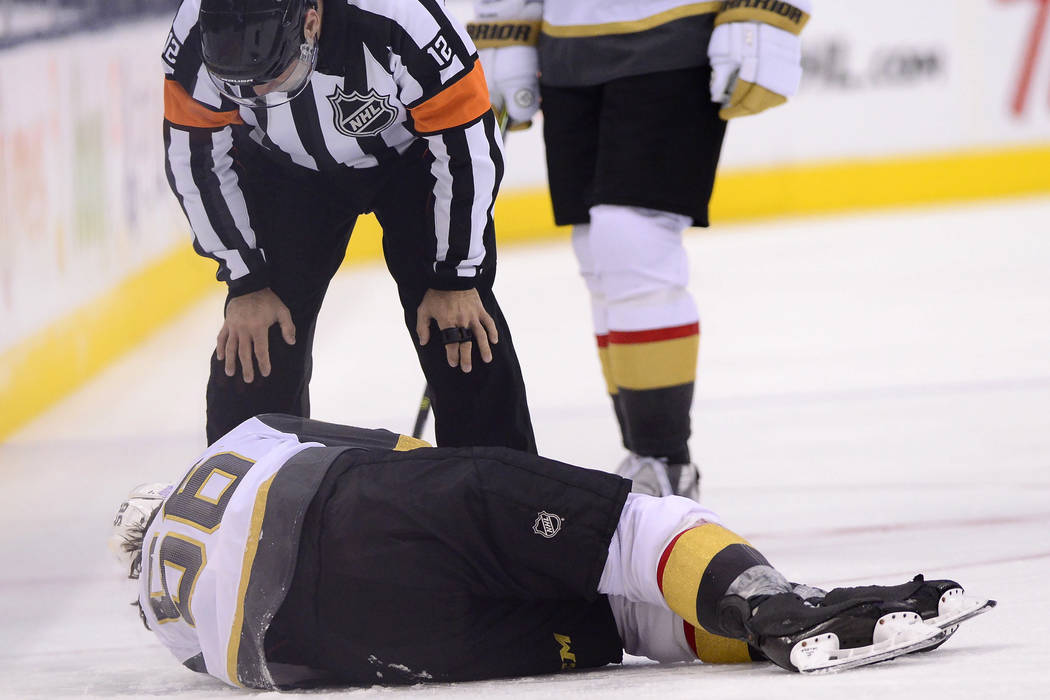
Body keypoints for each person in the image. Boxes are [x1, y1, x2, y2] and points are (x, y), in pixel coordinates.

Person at [109, 413, 993, 689]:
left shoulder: (163, 623)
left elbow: (228, 669)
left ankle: (774, 628)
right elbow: (392, 452)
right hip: (355, 515)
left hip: (335, 647)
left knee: (612, 618)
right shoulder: (229, 448)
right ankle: (778, 607)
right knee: (630, 533)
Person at [468, 0, 814, 497]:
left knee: (631, 240)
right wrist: (505, 22)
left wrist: (764, 11)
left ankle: (666, 462)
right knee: (599, 253)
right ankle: (646, 457)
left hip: (676, 35)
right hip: (566, 50)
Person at [163, 0, 535, 450]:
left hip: (413, 160)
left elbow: (466, 144)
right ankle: (239, 492)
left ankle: (505, 495)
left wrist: (456, 277)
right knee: (256, 340)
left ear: (311, 20)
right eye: (243, 87)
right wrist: (246, 281)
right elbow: (196, 157)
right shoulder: (196, 29)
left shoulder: (399, 17)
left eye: (272, 76)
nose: (260, 96)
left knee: (461, 329)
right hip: (284, 168)